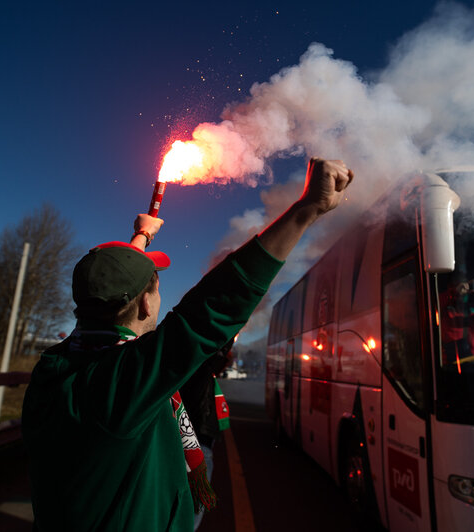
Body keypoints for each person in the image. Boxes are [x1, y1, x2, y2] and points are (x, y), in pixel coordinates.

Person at [22, 157, 353, 531]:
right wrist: (306, 209)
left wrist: (141, 236)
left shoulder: (56, 368)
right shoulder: (120, 384)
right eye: (156, 288)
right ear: (146, 302)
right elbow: (211, 308)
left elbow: (110, 285)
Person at [181, 339, 233, 530]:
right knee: (193, 511)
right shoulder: (200, 367)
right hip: (197, 445)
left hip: (194, 442)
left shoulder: (191, 366)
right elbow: (216, 358)